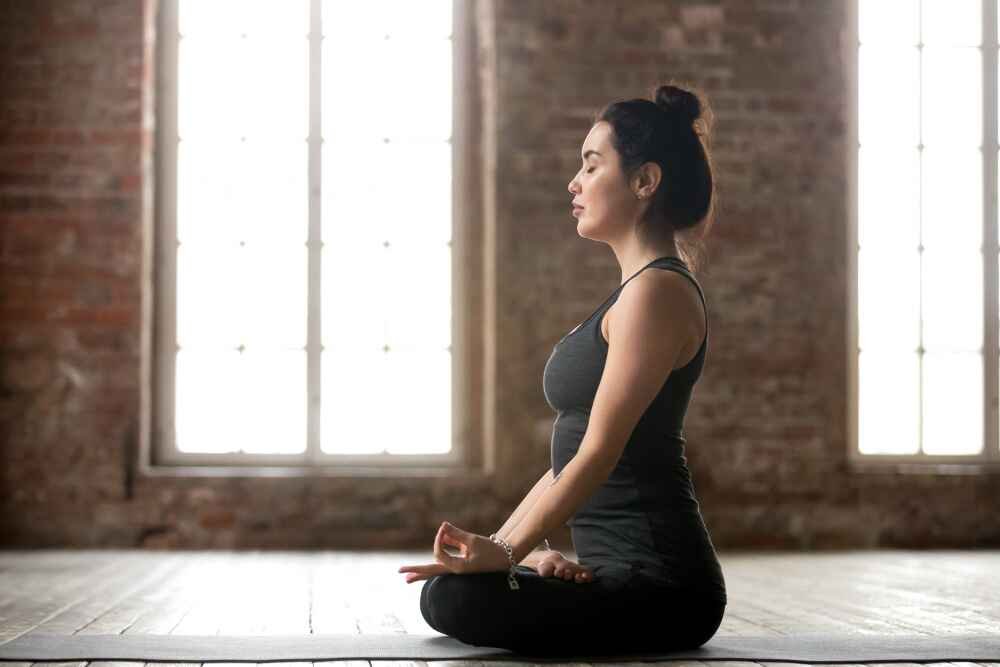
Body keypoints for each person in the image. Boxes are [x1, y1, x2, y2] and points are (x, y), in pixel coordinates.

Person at [397, 81, 725, 657]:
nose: (574, 182)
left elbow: (598, 451)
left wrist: (503, 556)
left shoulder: (659, 294)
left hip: (666, 588)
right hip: (613, 575)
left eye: (592, 166)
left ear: (645, 181)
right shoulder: (631, 295)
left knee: (457, 600)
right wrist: (513, 549)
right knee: (450, 591)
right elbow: (570, 460)